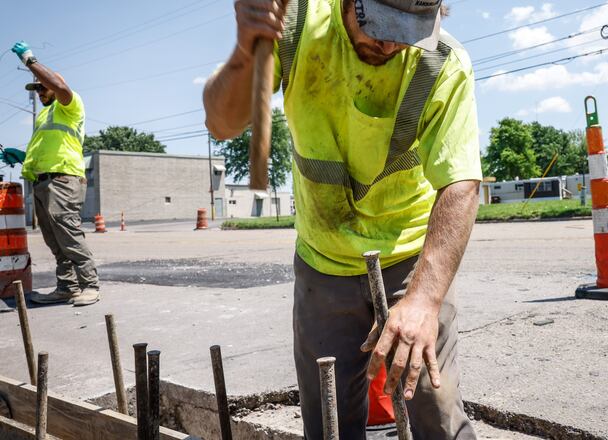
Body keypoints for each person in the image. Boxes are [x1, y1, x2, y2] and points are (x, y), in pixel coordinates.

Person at [203, 0, 480, 438]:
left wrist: (425, 299)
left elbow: (461, 185)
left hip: (409, 260)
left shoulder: (442, 62)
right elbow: (221, 124)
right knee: (328, 422)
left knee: (434, 408)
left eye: (406, 31)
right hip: (323, 262)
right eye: (380, 25)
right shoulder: (296, 25)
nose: (390, 43)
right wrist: (244, 51)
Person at [4, 41, 100, 307]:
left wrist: (29, 60)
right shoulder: (44, 117)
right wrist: (22, 157)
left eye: (42, 86)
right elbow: (47, 150)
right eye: (37, 89)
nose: (39, 92)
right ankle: (67, 287)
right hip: (43, 181)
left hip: (63, 180)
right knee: (54, 239)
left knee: (68, 233)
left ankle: (90, 285)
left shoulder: (70, 105)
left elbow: (60, 88)